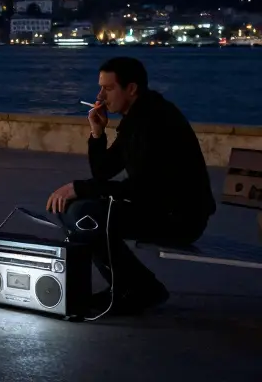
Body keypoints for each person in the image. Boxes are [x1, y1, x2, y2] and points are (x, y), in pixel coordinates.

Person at [46, 57, 215, 315]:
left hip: (180, 218)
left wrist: (80, 188)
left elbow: (142, 188)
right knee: (75, 211)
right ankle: (126, 286)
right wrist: (97, 134)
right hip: (156, 207)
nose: (100, 95)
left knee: (85, 216)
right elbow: (103, 172)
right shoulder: (134, 119)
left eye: (109, 88)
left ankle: (138, 288)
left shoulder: (155, 120)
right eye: (101, 87)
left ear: (132, 89)